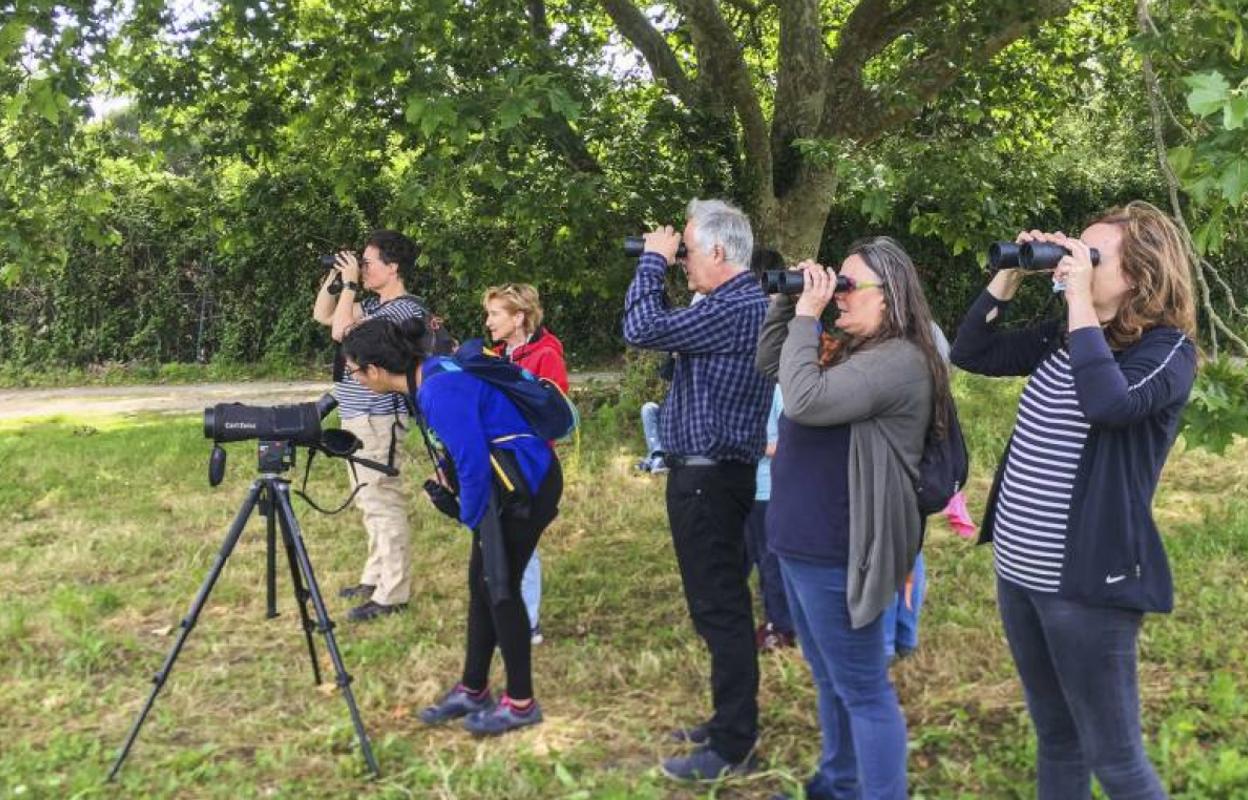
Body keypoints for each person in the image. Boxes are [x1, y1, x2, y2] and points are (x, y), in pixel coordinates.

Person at [950, 202, 1198, 799]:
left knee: (1116, 762)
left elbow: (1108, 405)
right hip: (1019, 573)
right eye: (1074, 252)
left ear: (1139, 272)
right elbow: (971, 353)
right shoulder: (1067, 337)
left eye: (1092, 256)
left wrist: (1079, 301)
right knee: (1056, 736)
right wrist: (1010, 274)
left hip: (1087, 588)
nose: (1073, 264)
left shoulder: (1167, 351)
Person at [756, 237, 952, 800]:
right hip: (803, 542)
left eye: (849, 286)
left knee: (864, 692)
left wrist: (809, 314)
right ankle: (838, 785)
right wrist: (785, 304)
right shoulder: (851, 347)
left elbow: (805, 401)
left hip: (843, 548)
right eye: (834, 282)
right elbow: (773, 365)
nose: (837, 294)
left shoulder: (901, 360)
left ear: (889, 296)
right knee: (831, 679)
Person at [341, 315, 563, 736]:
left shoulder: (437, 388)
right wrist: (447, 472)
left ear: (374, 369)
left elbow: (474, 463)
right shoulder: (433, 372)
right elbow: (468, 436)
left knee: (499, 588)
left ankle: (521, 703)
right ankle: (474, 688)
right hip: (510, 479)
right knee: (481, 584)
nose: (356, 379)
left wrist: (468, 516)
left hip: (523, 487)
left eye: (354, 371)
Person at [622, 198, 773, 781]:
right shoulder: (728, 305)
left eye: (686, 249)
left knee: (722, 610)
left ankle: (733, 746)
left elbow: (639, 328)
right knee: (720, 606)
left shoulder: (736, 307)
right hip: (712, 475)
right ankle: (726, 722)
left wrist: (651, 263)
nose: (681, 258)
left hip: (709, 479)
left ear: (716, 251)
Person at [311, 230, 426, 622]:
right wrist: (338, 280)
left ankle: (392, 592)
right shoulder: (375, 306)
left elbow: (340, 332)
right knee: (367, 500)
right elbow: (323, 315)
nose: (362, 268)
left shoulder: (404, 311)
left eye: (368, 262)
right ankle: (375, 578)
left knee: (382, 501)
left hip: (379, 418)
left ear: (392, 267)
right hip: (358, 415)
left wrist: (351, 288)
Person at [483, 283, 569, 646]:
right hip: (499, 458)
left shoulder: (546, 355)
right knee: (499, 536)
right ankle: (505, 609)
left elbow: (555, 413)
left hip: (530, 461)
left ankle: (528, 620)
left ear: (519, 317)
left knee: (523, 540)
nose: (488, 322)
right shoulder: (497, 355)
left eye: (495, 314)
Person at [748, 383, 796, 652]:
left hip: (769, 490)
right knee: (755, 557)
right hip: (744, 490)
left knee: (771, 561)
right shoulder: (736, 390)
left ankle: (782, 628)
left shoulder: (776, 391)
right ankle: (771, 619)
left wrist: (749, 444)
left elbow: (789, 444)